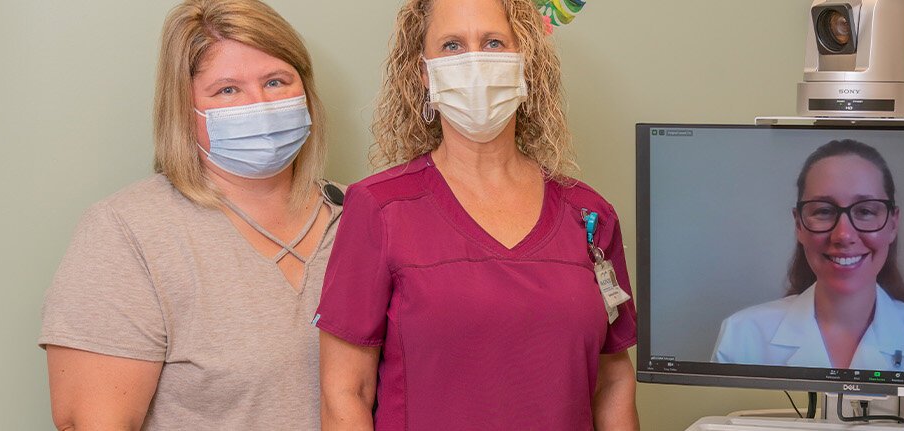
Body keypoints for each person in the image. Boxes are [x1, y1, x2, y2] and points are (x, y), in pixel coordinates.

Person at [312, 0, 637, 429]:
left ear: (526, 64)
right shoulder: (379, 208)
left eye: (493, 42)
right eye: (451, 45)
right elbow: (345, 392)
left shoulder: (589, 215)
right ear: (424, 73)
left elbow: (612, 380)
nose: (475, 60)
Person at [38, 0, 341, 429]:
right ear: (184, 109)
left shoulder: (367, 215)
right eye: (227, 90)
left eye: (276, 81)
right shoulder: (129, 233)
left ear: (306, 92)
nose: (260, 105)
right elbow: (92, 422)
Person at [713, 139, 904, 375]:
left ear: (892, 224)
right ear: (799, 225)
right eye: (823, 211)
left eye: (865, 211)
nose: (843, 235)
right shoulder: (742, 337)